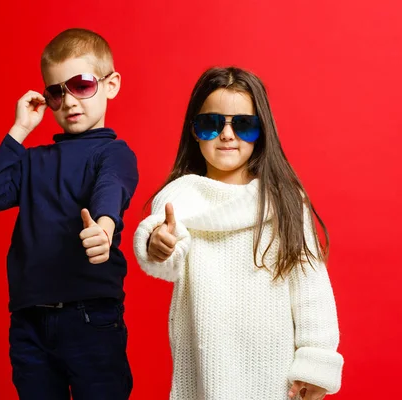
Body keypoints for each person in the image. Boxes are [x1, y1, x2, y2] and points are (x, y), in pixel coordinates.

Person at [133, 67, 343, 400]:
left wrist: (315, 364)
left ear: (261, 132)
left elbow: (311, 288)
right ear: (194, 132)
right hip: (205, 369)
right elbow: (166, 254)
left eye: (243, 125)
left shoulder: (284, 201)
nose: (227, 135)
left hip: (277, 373)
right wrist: (158, 243)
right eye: (211, 124)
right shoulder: (179, 197)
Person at [0, 28, 138, 400]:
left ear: (111, 85)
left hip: (91, 317)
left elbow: (111, 191)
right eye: (56, 92)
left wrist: (105, 229)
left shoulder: (113, 153)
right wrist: (19, 130)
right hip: (30, 320)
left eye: (81, 85)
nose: (69, 101)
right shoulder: (33, 160)